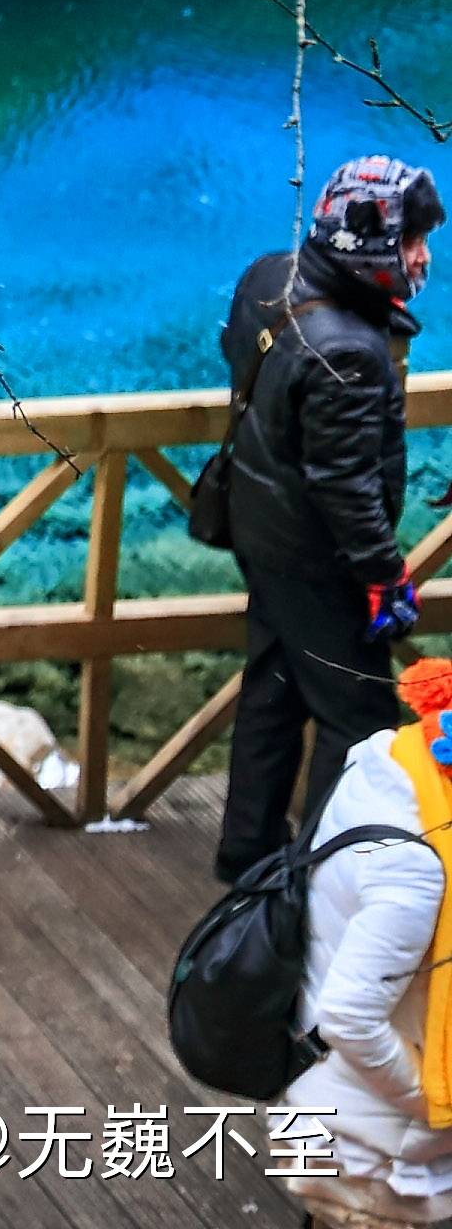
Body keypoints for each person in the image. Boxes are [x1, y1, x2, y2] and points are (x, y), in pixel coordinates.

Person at [216, 155, 446, 879]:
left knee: (275, 694)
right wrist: (386, 576)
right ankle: (317, 882)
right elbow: (345, 486)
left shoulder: (267, 277)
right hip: (318, 558)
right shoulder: (350, 351)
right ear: (369, 242)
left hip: (256, 523)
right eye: (412, 239)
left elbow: (239, 356)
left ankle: (248, 856)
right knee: (359, 722)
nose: (424, 257)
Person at [281, 653, 452, 1225]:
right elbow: (351, 1016)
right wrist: (431, 1097)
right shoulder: (417, 865)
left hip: (332, 1099)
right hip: (380, 1147)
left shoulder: (392, 760)